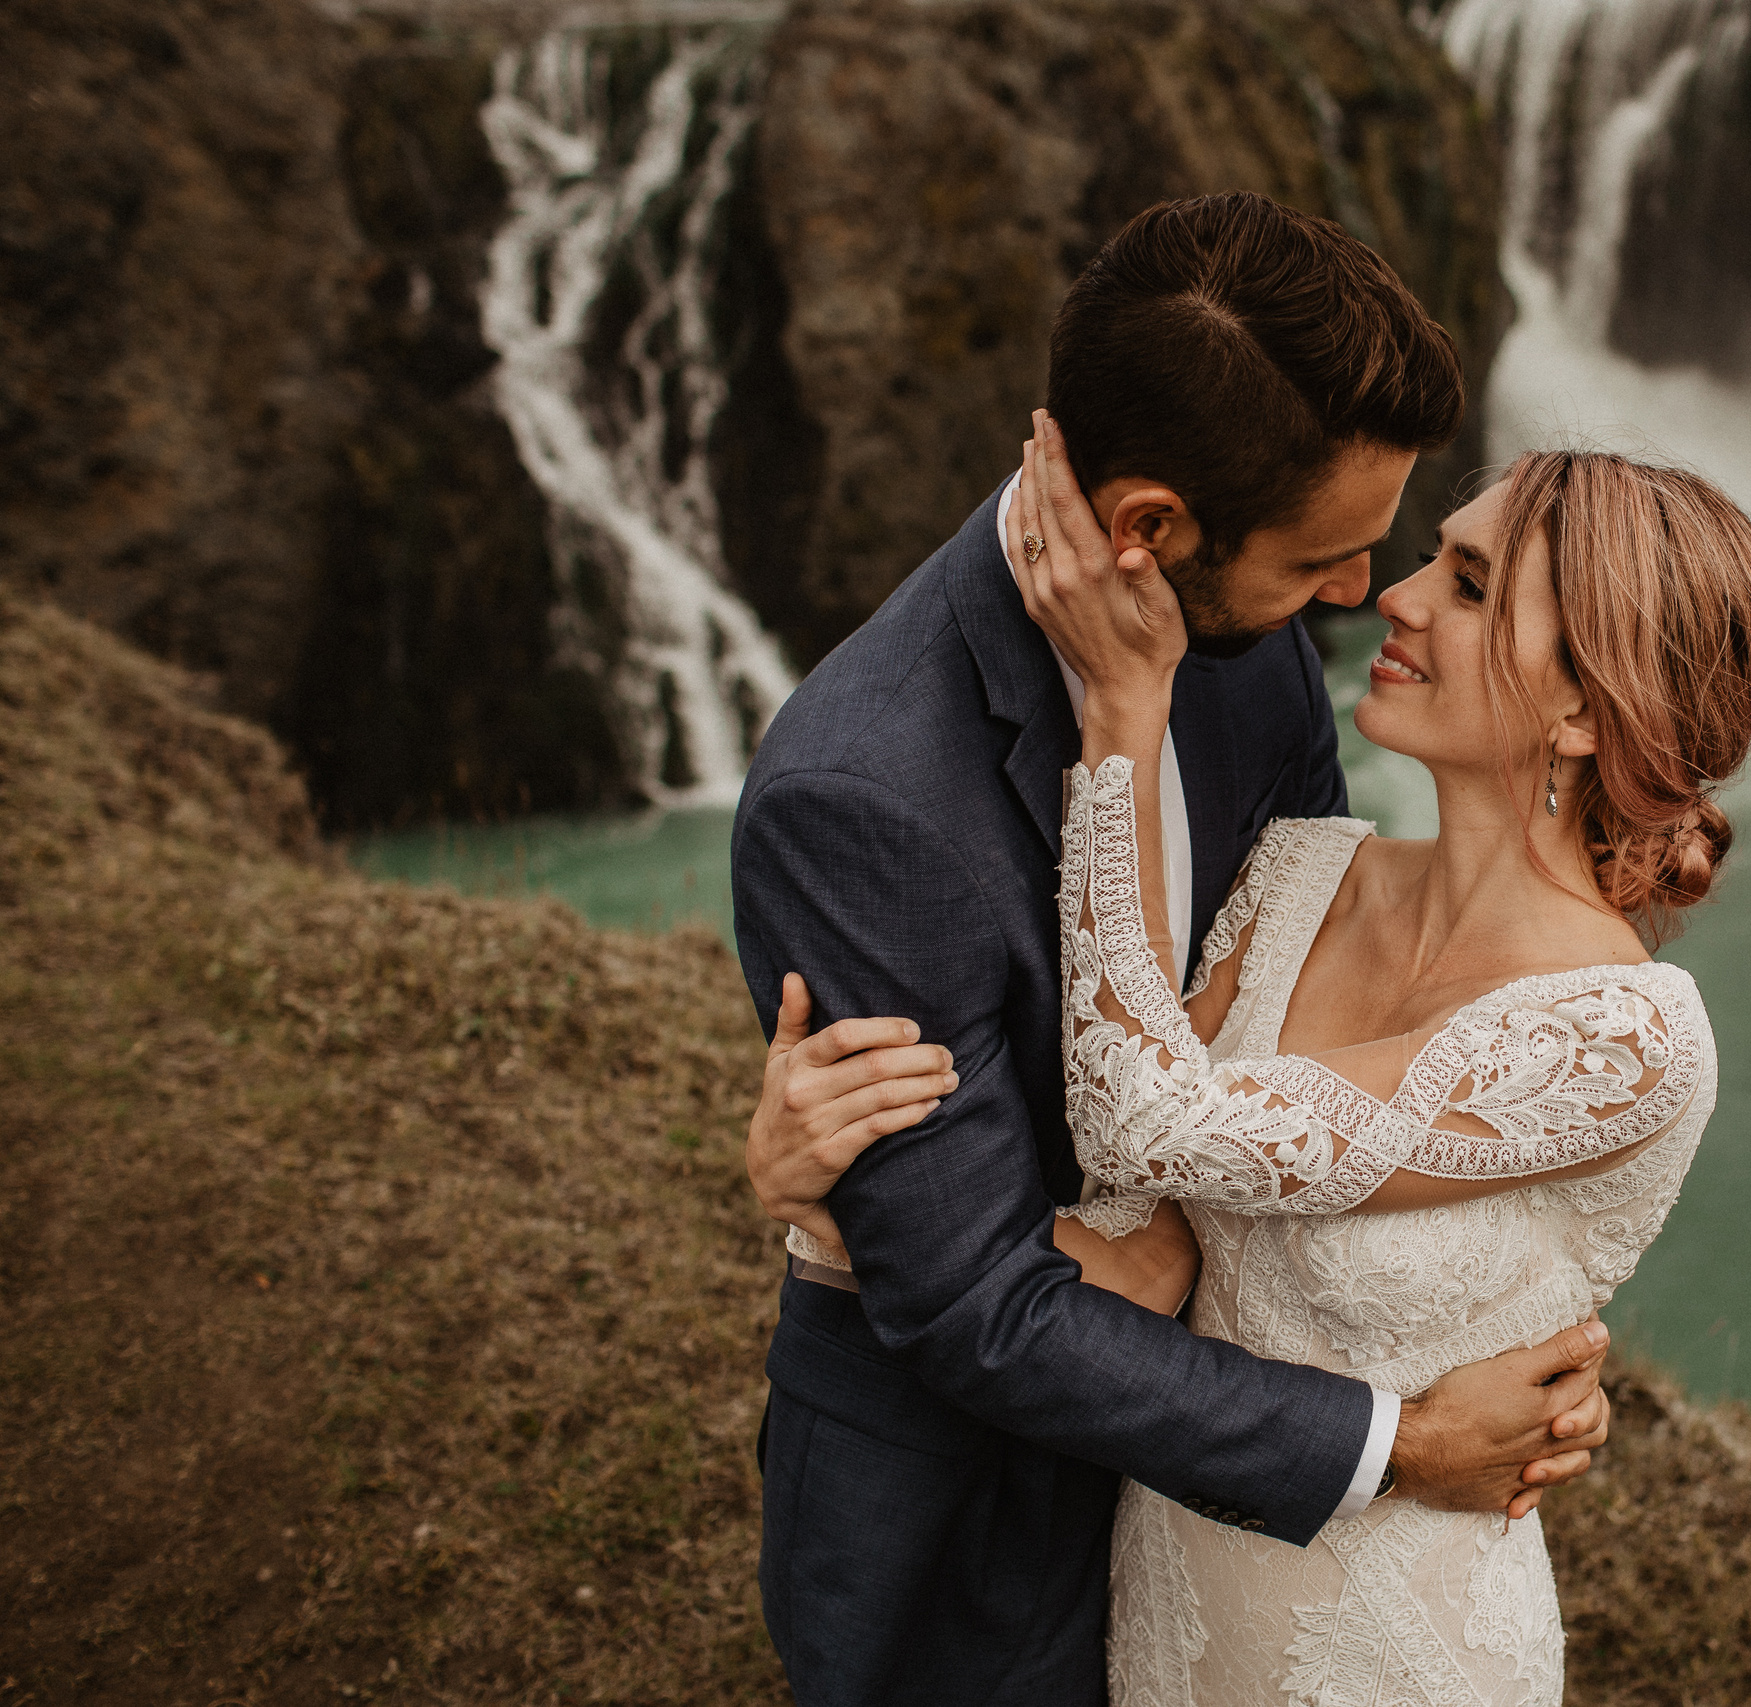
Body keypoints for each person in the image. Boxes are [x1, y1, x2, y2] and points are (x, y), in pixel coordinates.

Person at [731, 192, 1619, 1707]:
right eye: (1325, 560)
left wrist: (1495, 1314)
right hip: (981, 1533)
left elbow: (1302, 1038)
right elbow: (983, 1313)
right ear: (1148, 531)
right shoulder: (863, 800)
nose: (1361, 600)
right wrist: (1402, 1440)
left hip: (1243, 1528)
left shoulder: (1244, 639)